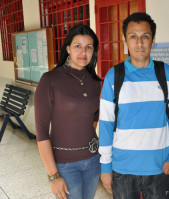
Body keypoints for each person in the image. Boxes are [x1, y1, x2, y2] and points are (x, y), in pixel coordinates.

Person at [98, 12, 169, 199]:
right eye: (133, 37)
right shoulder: (114, 76)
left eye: (145, 37)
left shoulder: (166, 73)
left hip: (160, 168)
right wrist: (106, 167)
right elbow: (105, 124)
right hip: (123, 169)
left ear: (153, 40)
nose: (140, 43)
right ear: (125, 40)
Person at [34, 24, 101, 199]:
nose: (83, 52)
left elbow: (93, 120)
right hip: (64, 165)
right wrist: (53, 175)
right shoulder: (50, 80)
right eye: (78, 46)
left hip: (93, 160)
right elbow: (41, 133)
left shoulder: (95, 81)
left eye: (89, 47)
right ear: (68, 48)